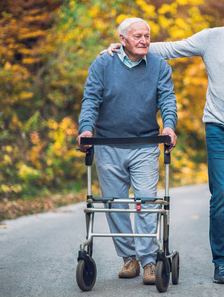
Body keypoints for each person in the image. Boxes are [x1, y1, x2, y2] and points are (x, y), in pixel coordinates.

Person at [104, 0, 224, 284]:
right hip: (219, 128)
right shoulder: (212, 37)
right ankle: (221, 261)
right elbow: (170, 49)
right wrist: (128, 45)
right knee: (220, 198)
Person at [77, 18, 178, 285]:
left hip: (145, 144)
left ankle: (148, 262)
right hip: (108, 144)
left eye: (147, 35)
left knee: (146, 201)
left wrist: (168, 126)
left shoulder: (159, 66)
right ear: (122, 40)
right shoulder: (103, 63)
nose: (145, 40)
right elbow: (91, 99)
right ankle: (128, 258)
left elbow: (167, 98)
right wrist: (86, 129)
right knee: (115, 204)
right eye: (138, 36)